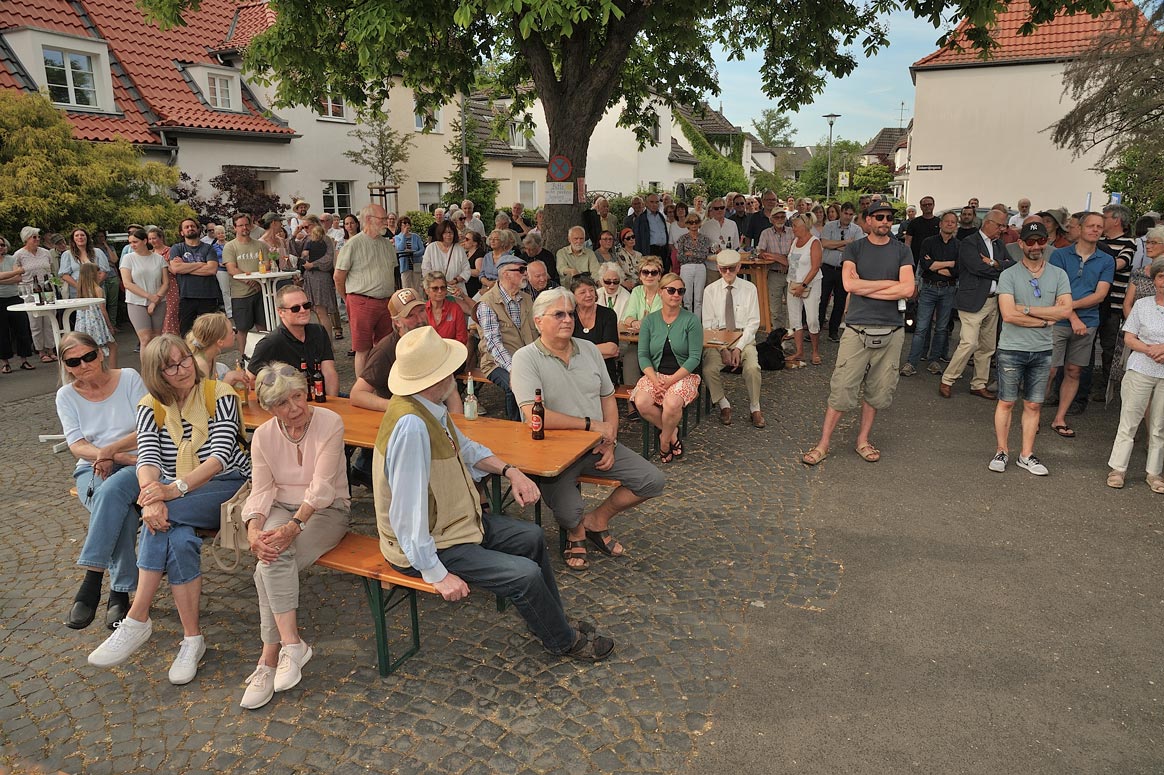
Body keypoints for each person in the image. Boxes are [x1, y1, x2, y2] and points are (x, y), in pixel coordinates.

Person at [374, 327, 614, 660]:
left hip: (454, 525)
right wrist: (436, 574)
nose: (457, 375)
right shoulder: (413, 425)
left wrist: (510, 470)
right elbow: (407, 512)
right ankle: (563, 641)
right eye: (450, 369)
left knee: (530, 537)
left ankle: (551, 621)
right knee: (525, 575)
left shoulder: (426, 408)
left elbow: (467, 448)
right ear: (435, 378)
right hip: (430, 543)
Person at [87, 334, 251, 684]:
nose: (182, 370)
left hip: (225, 484)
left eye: (185, 360)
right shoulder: (150, 405)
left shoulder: (219, 394)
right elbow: (148, 456)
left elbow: (221, 456)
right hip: (178, 493)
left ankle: (138, 617)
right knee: (175, 537)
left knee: (160, 520)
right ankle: (192, 639)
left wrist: (168, 493)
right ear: (156, 374)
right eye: (171, 366)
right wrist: (152, 493)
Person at [511, 288, 666, 569]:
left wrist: (609, 439)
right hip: (551, 452)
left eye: (570, 313)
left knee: (652, 480)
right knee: (571, 512)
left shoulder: (589, 351)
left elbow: (607, 397)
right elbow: (535, 415)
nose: (568, 319)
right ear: (538, 321)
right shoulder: (525, 358)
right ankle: (576, 530)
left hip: (595, 445)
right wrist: (590, 425)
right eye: (558, 314)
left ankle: (596, 521)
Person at [237, 363, 350, 708]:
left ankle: (269, 658)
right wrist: (254, 528)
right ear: (270, 409)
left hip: (327, 509)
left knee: (267, 565)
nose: (296, 408)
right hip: (279, 507)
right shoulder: (264, 436)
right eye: (283, 403)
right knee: (271, 551)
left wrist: (293, 526)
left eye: (298, 396)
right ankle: (292, 645)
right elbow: (261, 489)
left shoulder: (329, 422)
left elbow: (322, 487)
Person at [802, 201, 914, 466]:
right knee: (841, 389)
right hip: (857, 327)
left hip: (892, 329)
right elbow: (848, 284)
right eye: (879, 217)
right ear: (868, 220)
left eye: (889, 217)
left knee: (878, 390)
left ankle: (862, 440)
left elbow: (908, 289)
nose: (885, 221)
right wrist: (891, 285)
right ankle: (824, 443)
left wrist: (868, 287)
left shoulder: (902, 251)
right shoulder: (855, 247)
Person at [55, 332, 147, 630]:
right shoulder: (65, 395)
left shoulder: (129, 378)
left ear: (101, 353)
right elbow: (76, 444)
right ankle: (119, 592)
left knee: (109, 495)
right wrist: (109, 456)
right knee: (121, 512)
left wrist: (111, 451)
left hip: (139, 463)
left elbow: (148, 424)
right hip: (94, 467)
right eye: (74, 361)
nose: (83, 365)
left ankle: (91, 580)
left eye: (89, 356)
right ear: (66, 366)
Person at [990, 222, 1074, 476]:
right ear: (1022, 244)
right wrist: (1045, 319)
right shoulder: (1009, 275)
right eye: (1030, 242)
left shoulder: (1058, 274)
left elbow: (1066, 310)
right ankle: (1002, 450)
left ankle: (1026, 454)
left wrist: (1025, 309)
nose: (1036, 246)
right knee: (1006, 402)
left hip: (1042, 349)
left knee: (1034, 405)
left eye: (1040, 241)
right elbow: (1008, 314)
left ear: (1046, 242)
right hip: (1012, 347)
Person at [1046, 212, 1115, 438]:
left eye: (1099, 226)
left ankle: (1059, 418)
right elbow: (1054, 290)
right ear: (1081, 228)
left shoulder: (1106, 260)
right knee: (1050, 369)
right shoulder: (1060, 256)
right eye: (1091, 226)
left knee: (1074, 370)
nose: (1095, 230)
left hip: (1088, 323)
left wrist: (1071, 309)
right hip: (1058, 320)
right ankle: (1033, 413)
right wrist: (1072, 316)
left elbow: (1100, 295)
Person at [939, 209, 1014, 400]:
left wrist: (994, 263)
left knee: (988, 346)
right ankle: (948, 379)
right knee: (969, 343)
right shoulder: (969, 243)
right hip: (972, 300)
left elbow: (1011, 265)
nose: (1002, 229)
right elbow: (976, 267)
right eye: (1000, 225)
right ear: (988, 223)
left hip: (993, 300)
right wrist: (997, 267)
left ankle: (979, 383)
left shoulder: (998, 244)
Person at [1106, 256, 1164, 492]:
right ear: (1155, 279)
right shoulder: (1142, 305)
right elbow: (1129, 337)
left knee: (1159, 426)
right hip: (1140, 367)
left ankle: (1154, 473)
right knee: (1129, 422)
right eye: (1161, 277)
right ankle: (1118, 469)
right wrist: (1153, 349)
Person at [632, 272, 703, 463]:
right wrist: (655, 379)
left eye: (680, 291)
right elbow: (643, 355)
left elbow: (695, 357)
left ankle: (664, 440)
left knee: (672, 404)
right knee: (641, 402)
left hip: (683, 375)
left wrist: (670, 380)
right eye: (671, 290)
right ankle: (672, 432)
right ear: (661, 292)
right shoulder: (649, 320)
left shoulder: (691, 320)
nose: (676, 295)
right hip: (655, 374)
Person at [702, 249, 764, 428]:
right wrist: (722, 348)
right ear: (718, 268)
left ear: (739, 267)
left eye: (731, 269)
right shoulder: (710, 291)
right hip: (718, 339)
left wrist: (738, 347)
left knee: (753, 367)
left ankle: (755, 406)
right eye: (723, 269)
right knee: (709, 369)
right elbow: (708, 326)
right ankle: (723, 403)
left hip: (743, 337)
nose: (728, 273)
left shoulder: (750, 288)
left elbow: (753, 323)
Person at [335, 204, 397, 376]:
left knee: (385, 346)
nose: (386, 222)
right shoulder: (353, 244)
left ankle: (382, 386)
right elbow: (338, 277)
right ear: (369, 220)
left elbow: (393, 273)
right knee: (362, 348)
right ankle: (361, 391)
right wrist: (348, 299)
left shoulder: (387, 244)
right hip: (361, 301)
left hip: (386, 302)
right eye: (382, 219)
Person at [248, 286, 339, 397]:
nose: (303, 311)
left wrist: (332, 402)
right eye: (295, 308)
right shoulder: (270, 343)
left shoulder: (319, 331)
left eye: (306, 305)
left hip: (322, 396)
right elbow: (249, 380)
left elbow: (329, 372)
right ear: (281, 312)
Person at [476, 255, 535, 421]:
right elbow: (493, 344)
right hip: (496, 363)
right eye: (521, 270)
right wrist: (514, 368)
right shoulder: (487, 303)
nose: (525, 274)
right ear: (506, 274)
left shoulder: (527, 299)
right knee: (515, 384)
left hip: (527, 359)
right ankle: (514, 427)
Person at [902, 211, 959, 375]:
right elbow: (926, 265)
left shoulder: (959, 246)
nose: (949, 224)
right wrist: (949, 264)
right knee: (921, 327)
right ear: (940, 224)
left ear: (956, 226)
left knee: (941, 328)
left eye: (952, 222)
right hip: (928, 288)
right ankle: (911, 363)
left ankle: (933, 360)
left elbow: (958, 269)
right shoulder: (928, 242)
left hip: (948, 290)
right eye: (946, 221)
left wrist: (937, 265)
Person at [168, 218, 221, 335]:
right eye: (186, 227)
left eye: (192, 226)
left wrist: (185, 267)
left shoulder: (208, 248)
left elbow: (212, 269)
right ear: (182, 232)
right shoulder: (177, 248)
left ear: (198, 229)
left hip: (208, 296)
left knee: (209, 333)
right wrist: (200, 264)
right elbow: (176, 269)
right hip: (186, 297)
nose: (190, 228)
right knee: (187, 334)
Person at [818, 203, 862, 342]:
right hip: (827, 268)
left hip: (844, 269)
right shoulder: (829, 226)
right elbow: (824, 244)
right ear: (841, 213)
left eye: (851, 214)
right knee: (822, 300)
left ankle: (833, 331)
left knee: (840, 302)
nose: (848, 217)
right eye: (846, 213)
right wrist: (845, 243)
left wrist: (835, 245)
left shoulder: (857, 229)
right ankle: (816, 330)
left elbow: (855, 250)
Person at [620, 256, 665, 387]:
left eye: (654, 272)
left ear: (659, 276)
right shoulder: (636, 291)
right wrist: (634, 322)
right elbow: (627, 317)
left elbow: (659, 320)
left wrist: (643, 324)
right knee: (629, 358)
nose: (649, 276)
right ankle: (631, 402)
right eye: (645, 272)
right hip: (638, 342)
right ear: (640, 276)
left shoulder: (665, 292)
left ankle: (657, 396)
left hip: (660, 342)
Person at [785, 213, 824, 367]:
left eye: (795, 226)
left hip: (810, 285)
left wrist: (803, 286)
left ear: (804, 226)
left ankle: (815, 351)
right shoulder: (795, 241)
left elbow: (815, 267)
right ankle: (799, 351)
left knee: (812, 319)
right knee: (795, 319)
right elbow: (791, 263)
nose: (792, 228)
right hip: (793, 283)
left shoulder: (814, 242)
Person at [14, 227, 58, 362]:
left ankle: (51, 349)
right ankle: (41, 351)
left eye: (38, 237)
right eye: (34, 237)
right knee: (36, 323)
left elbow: (51, 270)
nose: (37, 239)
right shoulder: (19, 255)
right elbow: (16, 273)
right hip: (31, 292)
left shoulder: (45, 252)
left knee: (50, 321)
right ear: (26, 239)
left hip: (48, 289)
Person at [292, 221, 342, 339]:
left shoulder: (326, 239)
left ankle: (328, 344)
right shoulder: (306, 239)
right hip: (309, 278)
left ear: (314, 224)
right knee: (316, 311)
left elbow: (329, 258)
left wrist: (313, 264)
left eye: (307, 226)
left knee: (322, 311)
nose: (305, 229)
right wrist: (295, 233)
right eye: (303, 227)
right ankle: (324, 342)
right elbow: (293, 251)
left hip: (320, 277)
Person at [569, 275, 619, 383]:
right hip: (575, 373)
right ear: (573, 296)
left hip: (603, 371)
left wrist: (577, 352)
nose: (588, 295)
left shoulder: (608, 314)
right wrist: (600, 352)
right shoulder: (569, 316)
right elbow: (564, 348)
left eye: (591, 290)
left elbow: (611, 349)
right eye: (582, 292)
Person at [187, 311, 250, 389]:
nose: (235, 333)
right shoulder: (201, 364)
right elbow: (205, 398)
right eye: (231, 332)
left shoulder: (210, 356)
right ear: (220, 342)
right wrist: (227, 381)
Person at [0, 236, 35, 372]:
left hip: (15, 297)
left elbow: (19, 277)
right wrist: (15, 273)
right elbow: (18, 272)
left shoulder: (11, 259)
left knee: (22, 329)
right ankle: (5, 363)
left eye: (2, 245)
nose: (1, 247)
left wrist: (4, 278)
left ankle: (24, 360)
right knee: (2, 332)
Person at [756, 208, 794, 332]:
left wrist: (773, 256)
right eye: (777, 217)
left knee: (792, 309)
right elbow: (761, 253)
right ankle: (777, 339)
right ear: (771, 219)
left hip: (792, 274)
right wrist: (781, 259)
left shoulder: (792, 232)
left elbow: (795, 254)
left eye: (782, 217)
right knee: (775, 310)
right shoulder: (765, 233)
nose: (780, 220)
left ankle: (789, 338)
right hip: (774, 274)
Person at [74, 263, 118, 367]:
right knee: (112, 346)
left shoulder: (81, 290)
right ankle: (113, 369)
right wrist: (110, 326)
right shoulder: (98, 289)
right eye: (98, 273)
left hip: (83, 323)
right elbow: (103, 310)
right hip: (96, 322)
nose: (100, 274)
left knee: (90, 348)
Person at [675, 212, 716, 318]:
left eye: (696, 222)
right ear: (687, 224)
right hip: (686, 267)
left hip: (700, 267)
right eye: (691, 222)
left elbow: (704, 255)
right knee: (687, 297)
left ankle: (697, 322)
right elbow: (680, 257)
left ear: (699, 223)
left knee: (699, 298)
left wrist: (691, 253)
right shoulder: (682, 239)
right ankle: (688, 321)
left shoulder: (704, 239)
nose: (694, 224)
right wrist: (697, 254)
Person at [422, 219, 471, 299]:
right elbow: (425, 269)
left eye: (450, 232)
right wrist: (438, 282)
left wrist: (456, 280)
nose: (448, 235)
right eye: (445, 232)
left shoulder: (459, 249)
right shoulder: (431, 248)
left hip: (455, 291)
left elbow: (466, 270)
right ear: (441, 233)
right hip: (437, 291)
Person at [59, 227, 110, 299]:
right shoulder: (67, 254)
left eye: (82, 235)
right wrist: (80, 287)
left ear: (87, 237)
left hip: (96, 291)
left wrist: (93, 287)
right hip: (76, 292)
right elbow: (64, 275)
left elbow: (104, 271)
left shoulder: (98, 252)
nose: (80, 237)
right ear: (73, 239)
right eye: (77, 235)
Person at [423, 272, 469, 345]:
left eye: (443, 287)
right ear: (427, 291)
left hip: (452, 351)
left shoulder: (455, 309)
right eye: (435, 288)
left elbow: (462, 338)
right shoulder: (422, 311)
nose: (440, 291)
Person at [904, 196, 941, 267]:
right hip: (916, 258)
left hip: (934, 258)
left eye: (929, 204)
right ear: (920, 207)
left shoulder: (939, 222)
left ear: (933, 205)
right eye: (924, 205)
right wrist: (907, 257)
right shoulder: (914, 223)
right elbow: (908, 242)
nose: (927, 206)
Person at [393, 216, 425, 293]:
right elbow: (400, 248)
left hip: (416, 265)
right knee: (406, 288)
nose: (406, 225)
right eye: (404, 223)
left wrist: (412, 254)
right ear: (400, 225)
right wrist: (404, 235)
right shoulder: (397, 237)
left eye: (408, 223)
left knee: (417, 288)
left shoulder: (416, 236)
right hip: (405, 265)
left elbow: (422, 249)